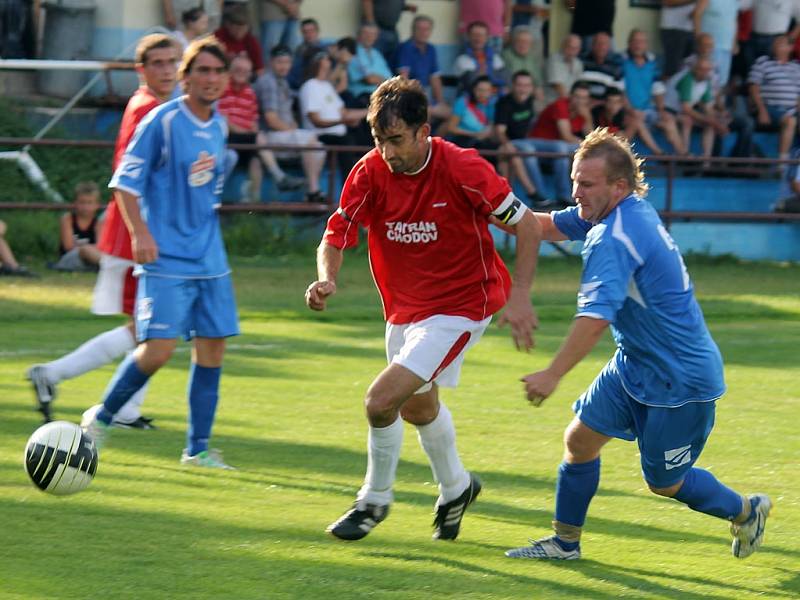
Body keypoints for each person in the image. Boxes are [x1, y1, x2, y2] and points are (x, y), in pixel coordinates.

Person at [505, 127, 772, 561]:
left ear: (619, 185)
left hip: (679, 380)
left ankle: (746, 511)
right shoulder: (617, 212)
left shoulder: (615, 237)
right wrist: (483, 209)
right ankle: (564, 543)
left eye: (586, 184)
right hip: (634, 364)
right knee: (580, 441)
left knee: (664, 482)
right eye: (574, 180)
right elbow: (544, 224)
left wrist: (552, 373)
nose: (576, 192)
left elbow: (595, 319)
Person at [305, 76, 540, 541]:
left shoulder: (463, 168)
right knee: (417, 407)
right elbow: (335, 234)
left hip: (462, 306)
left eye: (395, 140)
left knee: (379, 401)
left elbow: (527, 225)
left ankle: (373, 501)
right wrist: (327, 277)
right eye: (378, 140)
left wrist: (521, 296)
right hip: (405, 310)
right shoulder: (370, 171)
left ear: (423, 130)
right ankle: (457, 487)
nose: (387, 152)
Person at [81, 37, 240, 470]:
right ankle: (101, 417)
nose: (210, 79)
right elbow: (124, 184)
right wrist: (141, 236)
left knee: (212, 351)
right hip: (166, 257)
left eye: (217, 71)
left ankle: (198, 450)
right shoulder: (162, 121)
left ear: (226, 79)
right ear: (187, 78)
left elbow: (207, 193)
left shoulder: (220, 126)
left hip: (210, 259)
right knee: (158, 350)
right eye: (201, 71)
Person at [27, 33, 178, 426]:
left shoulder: (152, 105)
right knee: (150, 328)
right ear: (140, 70)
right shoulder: (149, 108)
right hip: (136, 233)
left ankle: (116, 403)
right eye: (158, 63)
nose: (167, 70)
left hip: (137, 230)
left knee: (151, 328)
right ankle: (56, 376)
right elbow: (134, 178)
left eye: (172, 61)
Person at [218, 54, 304, 201]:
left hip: (246, 140)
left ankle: (254, 204)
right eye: (238, 69)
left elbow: (254, 122)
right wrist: (251, 134)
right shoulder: (222, 89)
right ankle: (280, 177)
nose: (241, 73)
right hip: (226, 137)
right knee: (258, 139)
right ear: (230, 71)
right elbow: (224, 122)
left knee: (256, 159)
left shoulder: (250, 93)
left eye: (245, 71)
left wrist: (253, 133)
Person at [255, 45, 326, 202]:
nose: (284, 66)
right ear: (271, 62)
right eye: (279, 62)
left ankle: (311, 191)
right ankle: (313, 191)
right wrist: (292, 129)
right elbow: (271, 120)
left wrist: (293, 128)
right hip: (269, 137)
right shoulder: (268, 82)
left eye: (287, 62)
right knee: (310, 139)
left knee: (320, 149)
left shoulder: (283, 82)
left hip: (283, 136)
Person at [300, 51, 368, 176]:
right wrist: (343, 121)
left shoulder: (327, 86)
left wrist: (371, 111)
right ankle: (349, 187)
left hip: (339, 134)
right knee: (347, 141)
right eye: (326, 58)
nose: (329, 61)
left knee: (365, 133)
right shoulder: (310, 86)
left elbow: (344, 113)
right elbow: (316, 121)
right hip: (321, 135)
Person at [494, 70, 555, 208]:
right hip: (509, 142)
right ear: (513, 86)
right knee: (519, 153)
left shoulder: (532, 101)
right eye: (520, 85)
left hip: (527, 141)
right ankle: (536, 194)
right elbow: (499, 131)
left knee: (561, 148)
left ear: (532, 87)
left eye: (527, 85)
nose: (523, 89)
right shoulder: (504, 103)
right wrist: (507, 143)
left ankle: (562, 196)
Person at [525, 81, 594, 206]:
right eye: (577, 97)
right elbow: (566, 136)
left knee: (565, 153)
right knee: (566, 148)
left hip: (556, 148)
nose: (580, 101)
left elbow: (590, 136)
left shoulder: (583, 111)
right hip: (536, 143)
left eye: (584, 98)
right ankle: (557, 195)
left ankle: (565, 197)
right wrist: (589, 146)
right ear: (571, 96)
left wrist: (587, 117)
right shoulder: (561, 105)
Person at [623, 29, 685, 155]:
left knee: (669, 119)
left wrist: (662, 110)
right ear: (629, 43)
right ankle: (659, 153)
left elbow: (658, 89)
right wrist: (630, 109)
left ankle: (683, 155)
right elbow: (620, 91)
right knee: (637, 120)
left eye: (641, 42)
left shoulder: (652, 64)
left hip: (649, 110)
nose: (638, 45)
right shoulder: (622, 62)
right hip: (629, 112)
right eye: (635, 41)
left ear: (646, 45)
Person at [748, 35, 800, 161]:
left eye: (781, 43)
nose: (776, 45)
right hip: (770, 108)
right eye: (775, 43)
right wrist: (761, 110)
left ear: (790, 48)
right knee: (790, 121)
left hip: (793, 109)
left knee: (792, 119)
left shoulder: (797, 67)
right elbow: (753, 87)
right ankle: (782, 164)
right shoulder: (763, 62)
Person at [665, 57, 729, 160]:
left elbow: (707, 107)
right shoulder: (687, 79)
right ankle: (684, 156)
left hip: (681, 112)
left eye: (707, 70)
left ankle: (705, 161)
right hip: (668, 112)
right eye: (702, 69)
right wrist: (713, 121)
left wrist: (718, 120)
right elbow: (686, 108)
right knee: (688, 120)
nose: (705, 72)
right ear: (695, 69)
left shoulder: (705, 81)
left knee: (710, 125)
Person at [396, 15, 451, 121]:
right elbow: (403, 79)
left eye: (426, 29)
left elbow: (435, 78)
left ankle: (436, 137)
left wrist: (440, 102)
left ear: (430, 31)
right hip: (408, 95)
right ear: (413, 30)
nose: (423, 32)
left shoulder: (431, 49)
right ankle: (422, 137)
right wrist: (420, 99)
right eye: (419, 29)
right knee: (425, 112)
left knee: (450, 113)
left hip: (425, 94)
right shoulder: (405, 48)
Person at [51, 181, 103, 272]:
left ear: (97, 205)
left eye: (89, 203)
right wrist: (88, 249)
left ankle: (106, 265)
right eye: (82, 202)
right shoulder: (68, 219)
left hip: (92, 260)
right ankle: (109, 267)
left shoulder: (98, 223)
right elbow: (69, 247)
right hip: (69, 260)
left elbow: (101, 247)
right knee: (85, 250)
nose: (85, 207)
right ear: (75, 203)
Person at [444, 75, 498, 151]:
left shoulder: (492, 104)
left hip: (483, 140)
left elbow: (492, 125)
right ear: (473, 90)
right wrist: (474, 134)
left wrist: (487, 133)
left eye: (486, 91)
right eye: (480, 90)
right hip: (463, 140)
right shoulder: (462, 102)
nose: (483, 94)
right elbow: (451, 128)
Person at [453, 20, 507, 91]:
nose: (478, 38)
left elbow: (506, 82)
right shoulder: (462, 60)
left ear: (487, 38)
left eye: (481, 35)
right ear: (468, 36)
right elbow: (470, 83)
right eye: (474, 35)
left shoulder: (496, 59)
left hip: (495, 98)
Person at [347, 23, 394, 106]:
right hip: (362, 98)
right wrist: (382, 80)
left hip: (381, 96)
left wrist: (379, 79)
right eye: (366, 33)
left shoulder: (377, 54)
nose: (369, 37)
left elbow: (390, 79)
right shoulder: (352, 52)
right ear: (358, 35)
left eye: (373, 34)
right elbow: (369, 79)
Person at [215, 4, 266, 77]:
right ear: (228, 25)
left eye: (243, 29)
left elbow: (260, 70)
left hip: (245, 80)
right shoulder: (218, 37)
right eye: (236, 28)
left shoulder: (251, 41)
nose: (239, 32)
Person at [361, 0, 418, 65]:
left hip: (392, 29)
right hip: (377, 28)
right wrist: (371, 23)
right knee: (373, 62)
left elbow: (392, 5)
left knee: (392, 62)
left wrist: (407, 7)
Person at [660, 0, 697, 78]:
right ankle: (665, 90)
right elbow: (666, 2)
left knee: (689, 72)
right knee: (672, 71)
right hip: (673, 29)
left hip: (691, 29)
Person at [546, 33, 584, 103]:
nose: (572, 52)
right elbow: (558, 87)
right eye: (569, 47)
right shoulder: (554, 60)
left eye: (575, 48)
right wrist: (574, 103)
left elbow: (578, 86)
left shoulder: (578, 63)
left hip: (570, 101)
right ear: (563, 46)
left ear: (579, 49)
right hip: (553, 102)